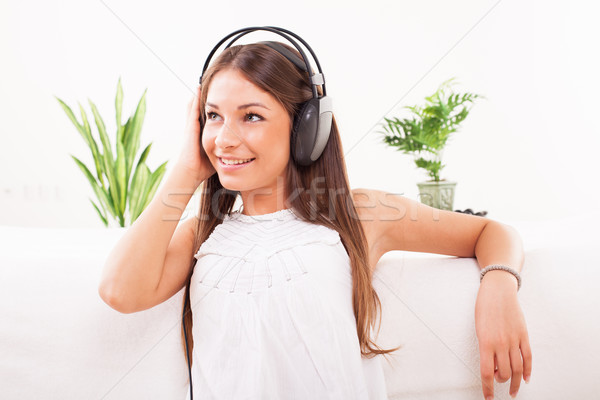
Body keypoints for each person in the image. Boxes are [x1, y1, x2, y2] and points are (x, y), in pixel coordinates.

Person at [99, 41, 532, 400]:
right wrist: (188, 168)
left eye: (251, 116)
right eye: (213, 116)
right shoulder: (205, 233)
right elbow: (119, 290)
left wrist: (498, 287)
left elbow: (492, 233)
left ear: (306, 129)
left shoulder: (357, 216)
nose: (224, 138)